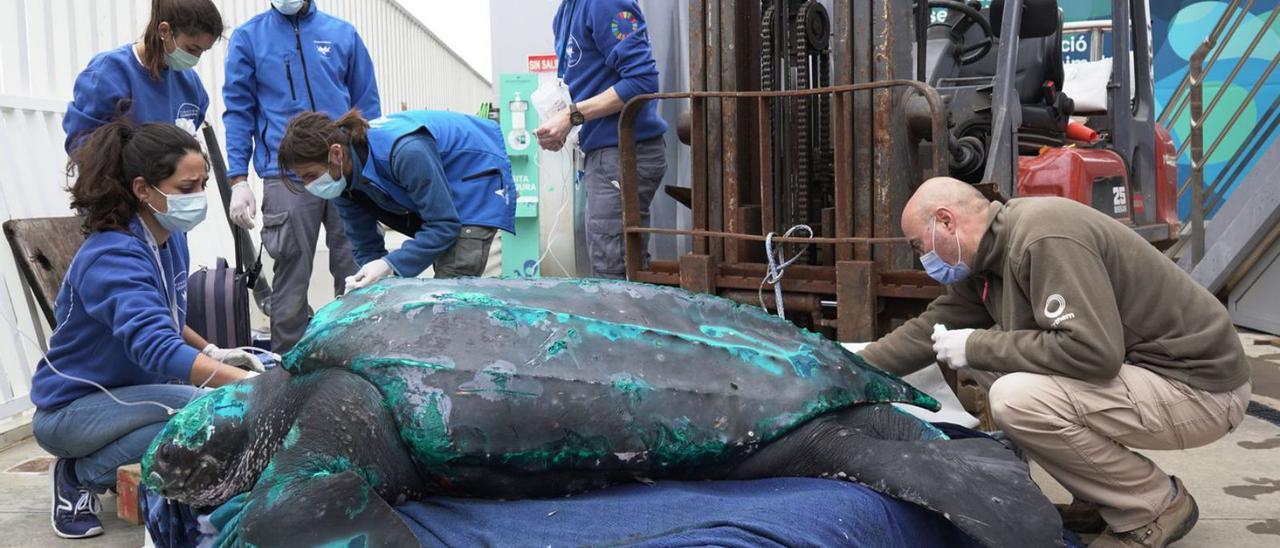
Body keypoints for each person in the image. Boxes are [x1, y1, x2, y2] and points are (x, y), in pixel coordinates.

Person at [858, 178, 1252, 548]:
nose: (922, 258)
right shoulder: (988, 260)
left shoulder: (1042, 237)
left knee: (1017, 398)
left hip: (1200, 389)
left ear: (945, 220)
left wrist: (978, 344)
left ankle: (1153, 506)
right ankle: (1100, 497)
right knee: (986, 363)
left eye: (918, 245)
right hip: (1149, 375)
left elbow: (1093, 354)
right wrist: (848, 364)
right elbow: (929, 331)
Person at [30, 120, 262, 540]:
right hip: (71, 410)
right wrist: (247, 383)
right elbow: (157, 348)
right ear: (143, 189)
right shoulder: (111, 256)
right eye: (187, 187)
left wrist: (213, 351)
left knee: (199, 409)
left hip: (123, 397)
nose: (200, 198)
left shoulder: (167, 238)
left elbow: (166, 320)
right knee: (202, 411)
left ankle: (89, 465)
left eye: (204, 184)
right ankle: (78, 475)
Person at [223, 0, 381, 352]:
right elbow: (238, 110)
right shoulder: (248, 38)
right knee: (291, 272)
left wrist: (370, 166)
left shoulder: (343, 34)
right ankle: (286, 362)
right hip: (286, 175)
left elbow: (367, 104)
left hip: (345, 169)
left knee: (357, 265)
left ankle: (359, 353)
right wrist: (238, 178)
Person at [276, 109, 516, 287]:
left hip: (476, 174)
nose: (310, 186)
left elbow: (444, 226)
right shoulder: (341, 181)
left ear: (336, 154)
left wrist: (390, 265)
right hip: (439, 185)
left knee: (451, 287)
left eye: (310, 175)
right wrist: (369, 280)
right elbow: (366, 246)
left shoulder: (406, 151)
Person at [535, 0, 668, 279]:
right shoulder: (566, 12)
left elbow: (642, 81)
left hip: (623, 152)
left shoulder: (603, 2)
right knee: (610, 262)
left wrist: (572, 117)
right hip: (602, 154)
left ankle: (627, 320)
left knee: (613, 268)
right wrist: (565, 124)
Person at [63, 0, 223, 152]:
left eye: (203, 50)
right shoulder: (108, 73)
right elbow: (82, 145)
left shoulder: (191, 85)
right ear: (164, 31)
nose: (196, 58)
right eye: (191, 48)